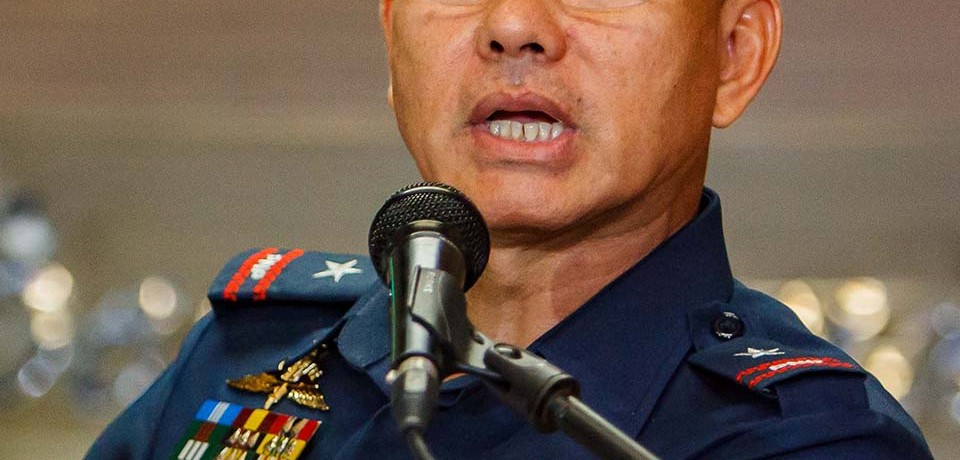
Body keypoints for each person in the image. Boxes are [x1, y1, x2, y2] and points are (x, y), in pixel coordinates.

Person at [87, 1, 933, 459]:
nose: (515, 24)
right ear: (390, 38)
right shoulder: (242, 357)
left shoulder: (810, 441)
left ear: (734, 54)